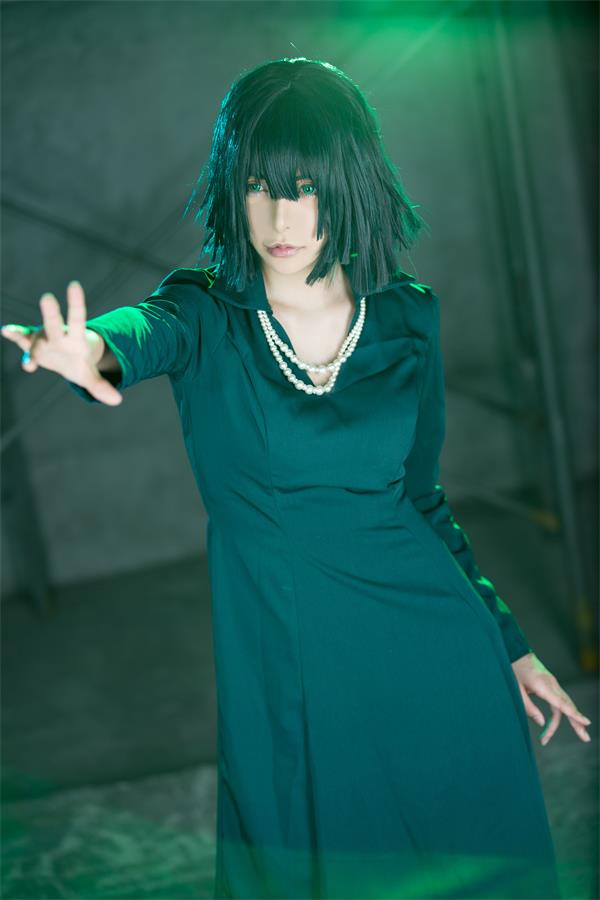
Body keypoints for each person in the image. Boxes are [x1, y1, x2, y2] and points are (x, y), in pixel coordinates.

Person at [2, 57, 591, 900]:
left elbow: (422, 500)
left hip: (438, 656)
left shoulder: (408, 314)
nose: (280, 217)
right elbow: (138, 333)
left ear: (346, 183)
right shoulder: (204, 312)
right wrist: (84, 350)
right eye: (257, 186)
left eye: (305, 187)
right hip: (291, 671)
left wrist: (511, 645)